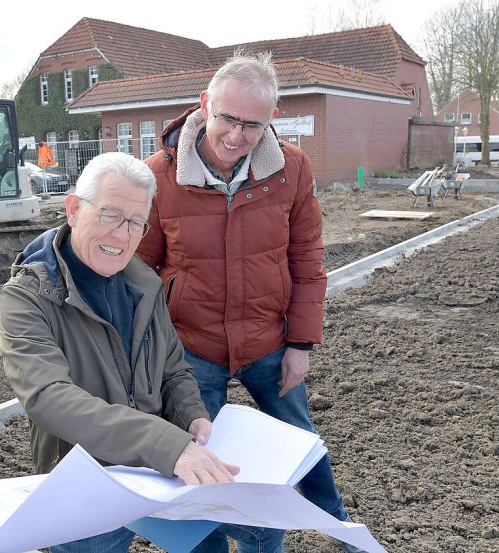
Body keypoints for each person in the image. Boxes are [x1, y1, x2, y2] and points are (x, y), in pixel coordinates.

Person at [137, 52, 364, 553]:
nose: (237, 135)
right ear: (205, 105)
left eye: (252, 124)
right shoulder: (160, 176)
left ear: (271, 121)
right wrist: (155, 355)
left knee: (300, 446)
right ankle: (212, 545)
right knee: (202, 457)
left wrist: (301, 343)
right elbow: (142, 272)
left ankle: (338, 527)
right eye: (228, 118)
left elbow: (306, 259)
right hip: (192, 346)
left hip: (268, 339)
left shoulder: (292, 171)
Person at [0, 152, 239, 553]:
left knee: (211, 545)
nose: (122, 235)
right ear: (74, 209)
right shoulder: (28, 298)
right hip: (85, 484)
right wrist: (164, 444)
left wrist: (191, 414)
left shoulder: (143, 284)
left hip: (161, 474)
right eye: (110, 215)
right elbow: (48, 398)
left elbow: (173, 368)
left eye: (135, 224)